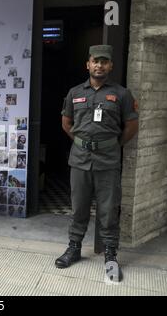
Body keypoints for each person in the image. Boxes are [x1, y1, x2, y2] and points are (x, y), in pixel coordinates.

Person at [57, 45, 139, 282]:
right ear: (88, 64)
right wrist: (83, 143)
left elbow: (131, 127)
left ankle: (111, 256)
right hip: (80, 160)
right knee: (79, 208)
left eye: (104, 62)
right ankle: (73, 248)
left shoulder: (122, 94)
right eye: (95, 61)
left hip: (108, 161)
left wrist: (109, 145)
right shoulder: (74, 93)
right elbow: (66, 123)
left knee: (108, 210)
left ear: (110, 66)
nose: (99, 65)